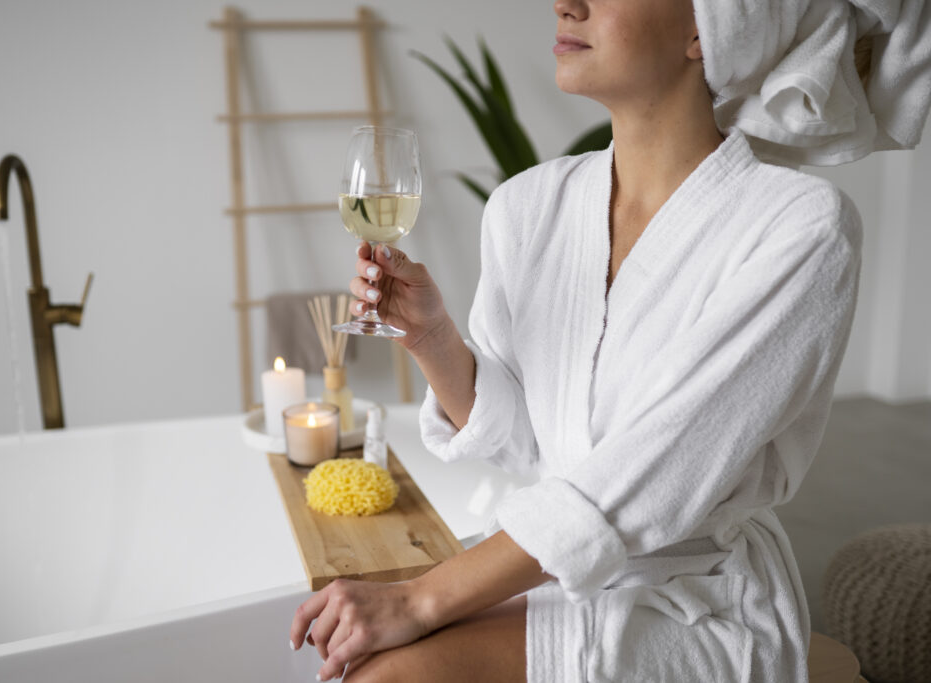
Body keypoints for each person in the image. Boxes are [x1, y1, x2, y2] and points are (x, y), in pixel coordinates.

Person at [289, 0, 930, 680]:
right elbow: (527, 446)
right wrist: (433, 337)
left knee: (384, 670)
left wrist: (422, 597)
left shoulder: (802, 229)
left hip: (694, 602)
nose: (567, 4)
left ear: (707, 29)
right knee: (349, 643)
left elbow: (652, 476)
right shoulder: (528, 205)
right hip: (552, 569)